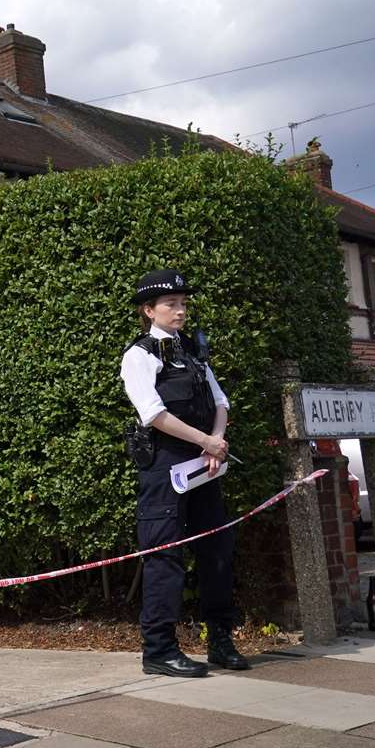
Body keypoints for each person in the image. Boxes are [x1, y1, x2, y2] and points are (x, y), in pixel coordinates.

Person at [121, 269, 249, 678]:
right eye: (171, 304)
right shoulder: (138, 355)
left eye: (183, 303)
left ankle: (221, 642)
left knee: (217, 552)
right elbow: (153, 414)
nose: (180, 310)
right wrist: (206, 442)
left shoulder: (192, 351)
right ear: (149, 310)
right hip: (164, 468)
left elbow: (220, 400)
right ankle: (159, 650)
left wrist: (217, 440)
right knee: (165, 557)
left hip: (204, 465)